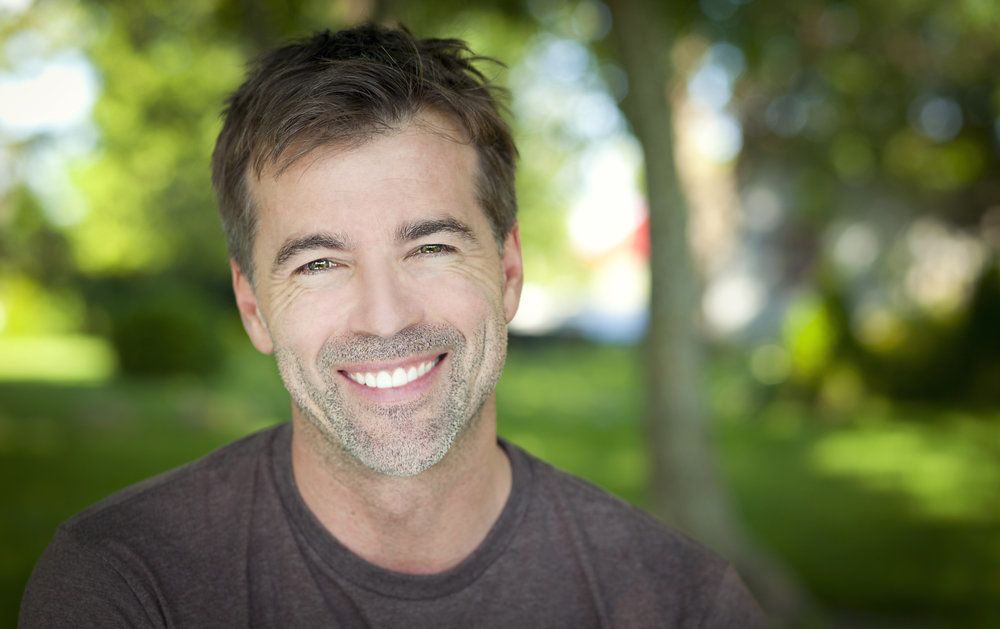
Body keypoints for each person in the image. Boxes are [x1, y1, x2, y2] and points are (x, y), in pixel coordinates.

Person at [20, 23, 767, 628]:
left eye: (431, 246)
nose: (386, 316)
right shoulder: (126, 584)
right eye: (318, 263)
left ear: (507, 271)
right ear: (253, 305)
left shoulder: (680, 603)